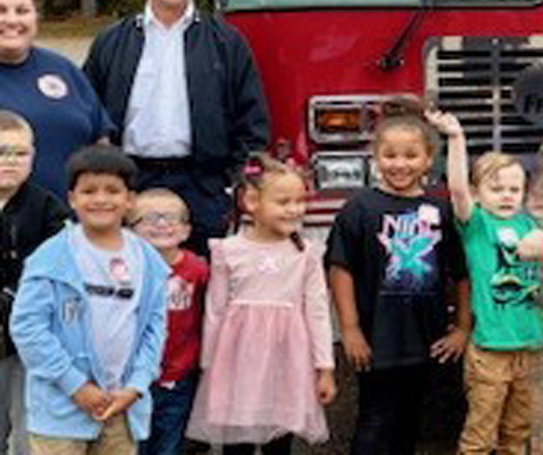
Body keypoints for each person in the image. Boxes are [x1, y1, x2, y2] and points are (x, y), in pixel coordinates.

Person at [83, 0, 270, 255]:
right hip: (129, 183)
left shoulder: (227, 43)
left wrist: (233, 184)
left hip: (203, 188)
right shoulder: (111, 42)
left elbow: (252, 123)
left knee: (201, 280)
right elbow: (87, 116)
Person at [326, 97, 470, 455]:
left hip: (427, 340)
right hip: (377, 339)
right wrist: (350, 329)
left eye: (410, 156)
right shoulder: (359, 208)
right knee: (374, 422)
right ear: (376, 156)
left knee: (410, 423)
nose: (400, 164)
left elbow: (461, 273)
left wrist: (462, 327)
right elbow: (340, 269)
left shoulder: (440, 209)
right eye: (390, 155)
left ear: (428, 159)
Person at [10, 145, 169, 454]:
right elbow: (28, 327)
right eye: (89, 191)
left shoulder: (148, 261)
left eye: (112, 190)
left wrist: (136, 386)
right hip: (60, 411)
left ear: (130, 199)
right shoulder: (51, 258)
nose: (100, 199)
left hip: (121, 409)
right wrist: (75, 385)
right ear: (72, 198)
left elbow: (154, 329)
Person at [187, 153, 335, 454]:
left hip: (288, 359)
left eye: (300, 201)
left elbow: (317, 311)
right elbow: (215, 311)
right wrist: (209, 365)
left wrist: (325, 367)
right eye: (284, 202)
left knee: (279, 439)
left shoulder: (306, 254)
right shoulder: (228, 251)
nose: (295, 210)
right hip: (237, 360)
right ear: (252, 201)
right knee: (237, 441)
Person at [434, 111, 543, 455]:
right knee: (481, 435)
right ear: (477, 193)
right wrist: (456, 138)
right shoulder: (477, 225)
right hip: (490, 350)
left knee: (518, 432)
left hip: (532, 347)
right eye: (496, 189)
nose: (506, 196)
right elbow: (456, 190)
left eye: (514, 189)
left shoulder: (531, 225)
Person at [0, 0, 112, 199]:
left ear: (36, 16)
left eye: (22, 11)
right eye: (1, 11)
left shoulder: (62, 69)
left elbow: (101, 143)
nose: (12, 20)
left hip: (69, 216)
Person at [0, 110, 69, 455]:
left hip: (27, 336)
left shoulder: (49, 209)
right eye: (1, 152)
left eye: (20, 152)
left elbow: (54, 272)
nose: (10, 160)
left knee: (28, 427)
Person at [128, 189, 209, 455]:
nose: (162, 224)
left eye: (172, 218)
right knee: (135, 442)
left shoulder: (198, 269)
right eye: (150, 218)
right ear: (130, 230)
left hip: (178, 374)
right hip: (132, 376)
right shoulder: (124, 270)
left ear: (186, 230)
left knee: (169, 442)